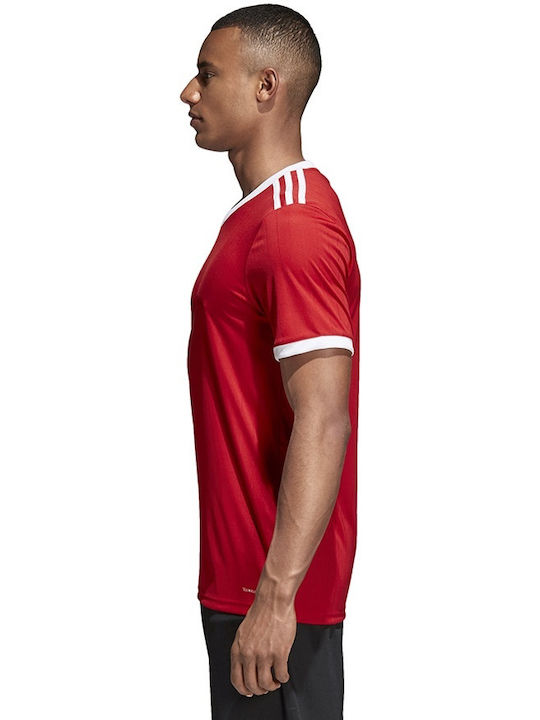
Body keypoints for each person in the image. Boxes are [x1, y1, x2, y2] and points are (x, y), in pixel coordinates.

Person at [180, 5, 361, 718]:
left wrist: (278, 597)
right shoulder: (255, 218)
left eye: (206, 74)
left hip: (275, 603)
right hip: (243, 587)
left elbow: (324, 417)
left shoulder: (293, 224)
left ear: (266, 86)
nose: (188, 92)